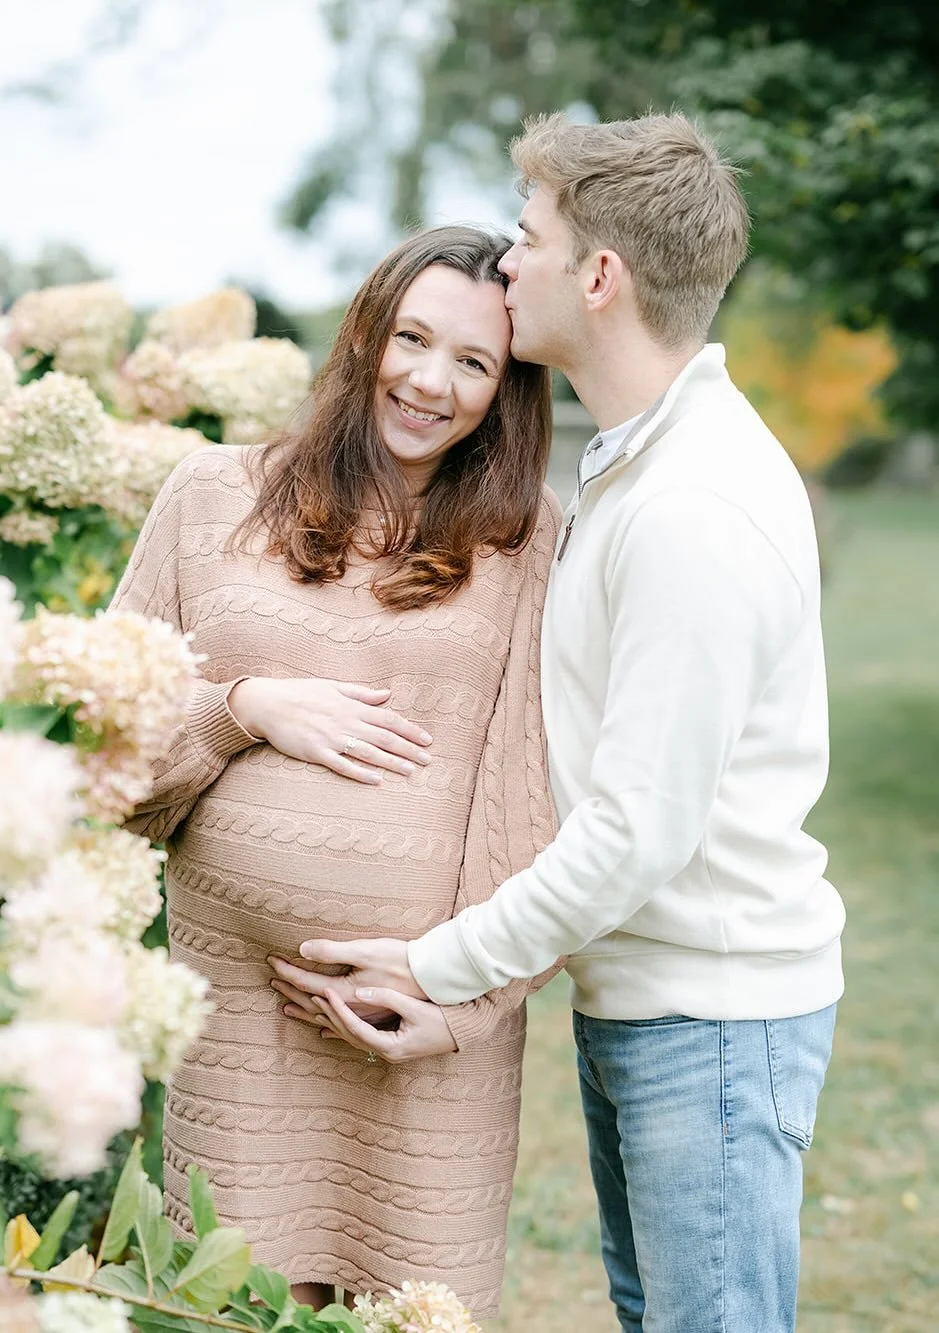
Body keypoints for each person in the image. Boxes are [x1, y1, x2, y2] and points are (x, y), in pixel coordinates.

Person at [274, 113, 847, 1333]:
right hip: (650, 998)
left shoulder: (692, 508)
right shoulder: (640, 462)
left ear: (598, 277)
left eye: (525, 240)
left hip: (714, 1020)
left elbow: (637, 829)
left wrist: (438, 967)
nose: (502, 267)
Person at [110, 225, 563, 1317]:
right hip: (234, 1018)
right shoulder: (210, 493)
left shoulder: (527, 540)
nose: (428, 382)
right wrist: (239, 711)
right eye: (411, 339)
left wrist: (460, 992)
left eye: (472, 363)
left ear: (506, 392)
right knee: (222, 1301)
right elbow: (101, 738)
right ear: (364, 333)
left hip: (421, 1030)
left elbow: (540, 792)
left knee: (402, 1307)